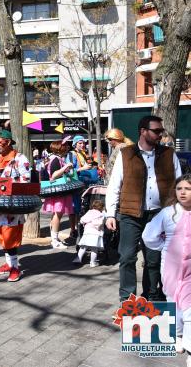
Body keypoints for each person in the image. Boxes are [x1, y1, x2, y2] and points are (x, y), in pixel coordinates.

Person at [106, 115, 182, 302]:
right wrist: (109, 214)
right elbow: (114, 185)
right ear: (143, 132)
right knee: (127, 257)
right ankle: (128, 299)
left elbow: (180, 184)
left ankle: (152, 296)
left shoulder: (169, 154)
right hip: (130, 215)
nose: (160, 134)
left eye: (160, 131)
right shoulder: (126, 154)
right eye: (156, 131)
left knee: (154, 260)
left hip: (159, 215)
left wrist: (179, 212)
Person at [142, 174, 191, 357]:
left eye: (188, 188)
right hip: (171, 265)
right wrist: (164, 247)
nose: (183, 192)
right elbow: (149, 236)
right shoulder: (168, 212)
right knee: (173, 301)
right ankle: (177, 335)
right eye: (179, 189)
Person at [0, 130, 31, 282]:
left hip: (12, 206)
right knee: (2, 236)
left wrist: (8, 186)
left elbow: (26, 180)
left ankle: (15, 268)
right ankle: (9, 264)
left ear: (8, 142)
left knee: (10, 237)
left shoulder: (20, 158)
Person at [41, 141, 74, 250]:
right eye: (65, 146)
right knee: (57, 215)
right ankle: (55, 240)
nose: (67, 147)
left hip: (57, 191)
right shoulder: (56, 159)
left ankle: (54, 238)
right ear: (60, 148)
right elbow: (54, 175)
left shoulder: (55, 158)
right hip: (58, 191)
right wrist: (66, 167)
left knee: (56, 215)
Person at [73, 200, 105, 267]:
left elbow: (82, 220)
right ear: (102, 207)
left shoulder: (89, 212)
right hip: (96, 233)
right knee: (94, 249)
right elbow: (100, 223)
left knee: (83, 247)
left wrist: (84, 222)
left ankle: (78, 259)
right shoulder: (101, 214)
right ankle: (93, 263)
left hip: (87, 232)